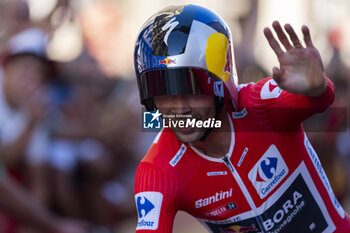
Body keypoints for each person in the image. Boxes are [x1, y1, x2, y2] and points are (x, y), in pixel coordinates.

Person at [133, 4, 350, 233]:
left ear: (219, 84)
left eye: (191, 89)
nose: (179, 109)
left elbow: (319, 101)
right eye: (164, 93)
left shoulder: (261, 104)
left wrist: (317, 87)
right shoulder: (158, 168)